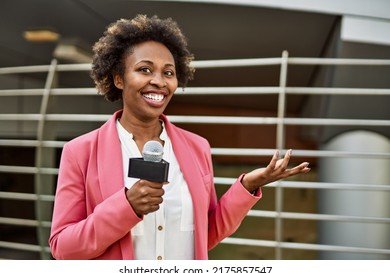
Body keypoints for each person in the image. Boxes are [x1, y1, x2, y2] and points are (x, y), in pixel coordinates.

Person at [48, 14, 310, 260]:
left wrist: (247, 187)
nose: (159, 82)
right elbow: (63, 247)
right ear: (118, 78)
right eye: (145, 69)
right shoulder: (80, 151)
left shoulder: (197, 147)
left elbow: (204, 236)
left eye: (168, 72)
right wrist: (126, 207)